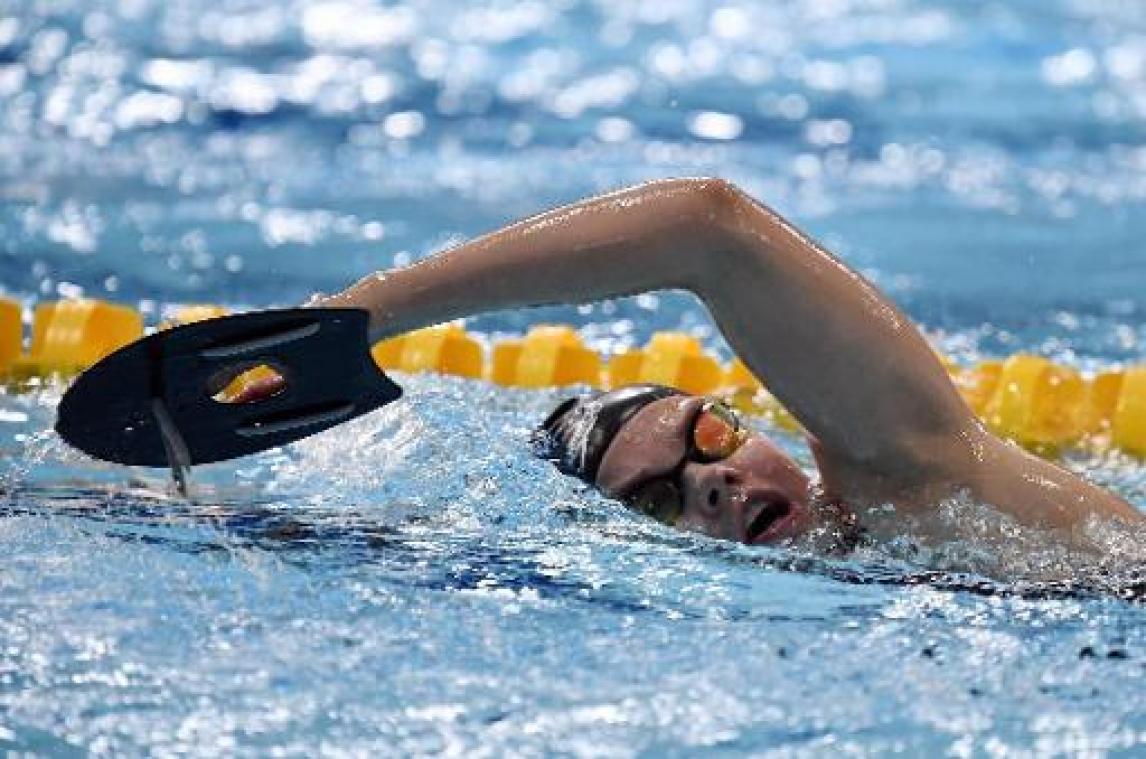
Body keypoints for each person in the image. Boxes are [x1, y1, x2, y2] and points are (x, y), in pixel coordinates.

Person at [243, 178, 1143, 546]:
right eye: (661, 500)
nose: (711, 481)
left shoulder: (908, 475)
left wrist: (364, 315)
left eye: (708, 435)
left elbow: (706, 225)